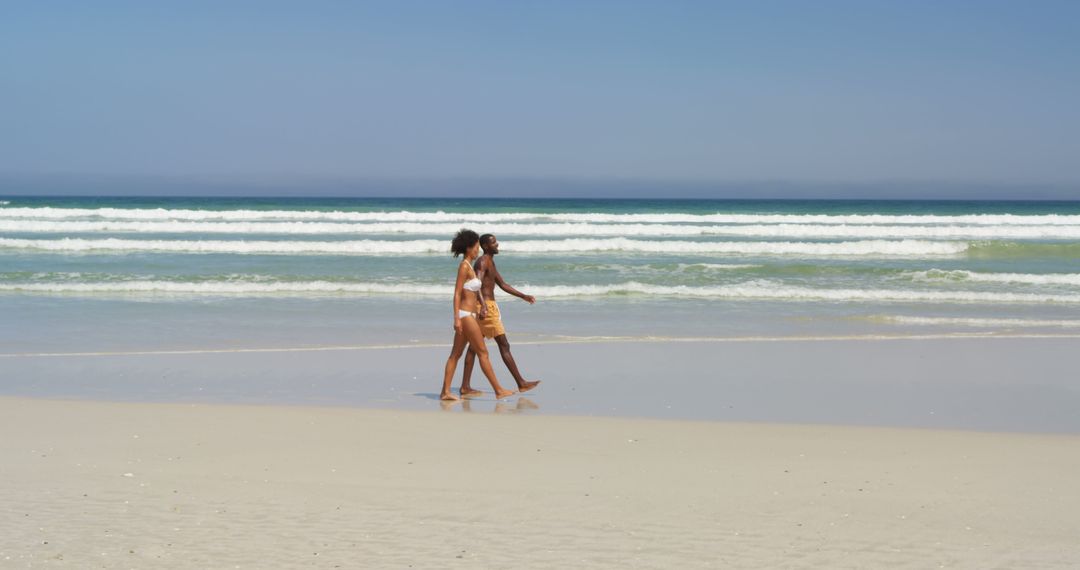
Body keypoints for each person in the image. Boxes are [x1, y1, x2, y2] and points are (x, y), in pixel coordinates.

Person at [459, 234, 541, 397]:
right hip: (486, 309)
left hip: (487, 307)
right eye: (494, 243)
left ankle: (465, 386)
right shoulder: (483, 261)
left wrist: (523, 296)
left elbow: (502, 284)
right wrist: (482, 306)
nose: (498, 245)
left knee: (474, 348)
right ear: (485, 246)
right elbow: (477, 285)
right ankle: (521, 383)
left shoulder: (490, 261)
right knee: (503, 344)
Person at [440, 229, 516, 402]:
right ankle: (498, 390)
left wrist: (480, 307)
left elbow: (475, 290)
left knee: (455, 354)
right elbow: (457, 294)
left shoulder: (469, 268)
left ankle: (445, 392)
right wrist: (456, 318)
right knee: (483, 352)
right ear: (469, 248)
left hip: (470, 314)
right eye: (475, 247)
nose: (477, 250)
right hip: (466, 315)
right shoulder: (464, 267)